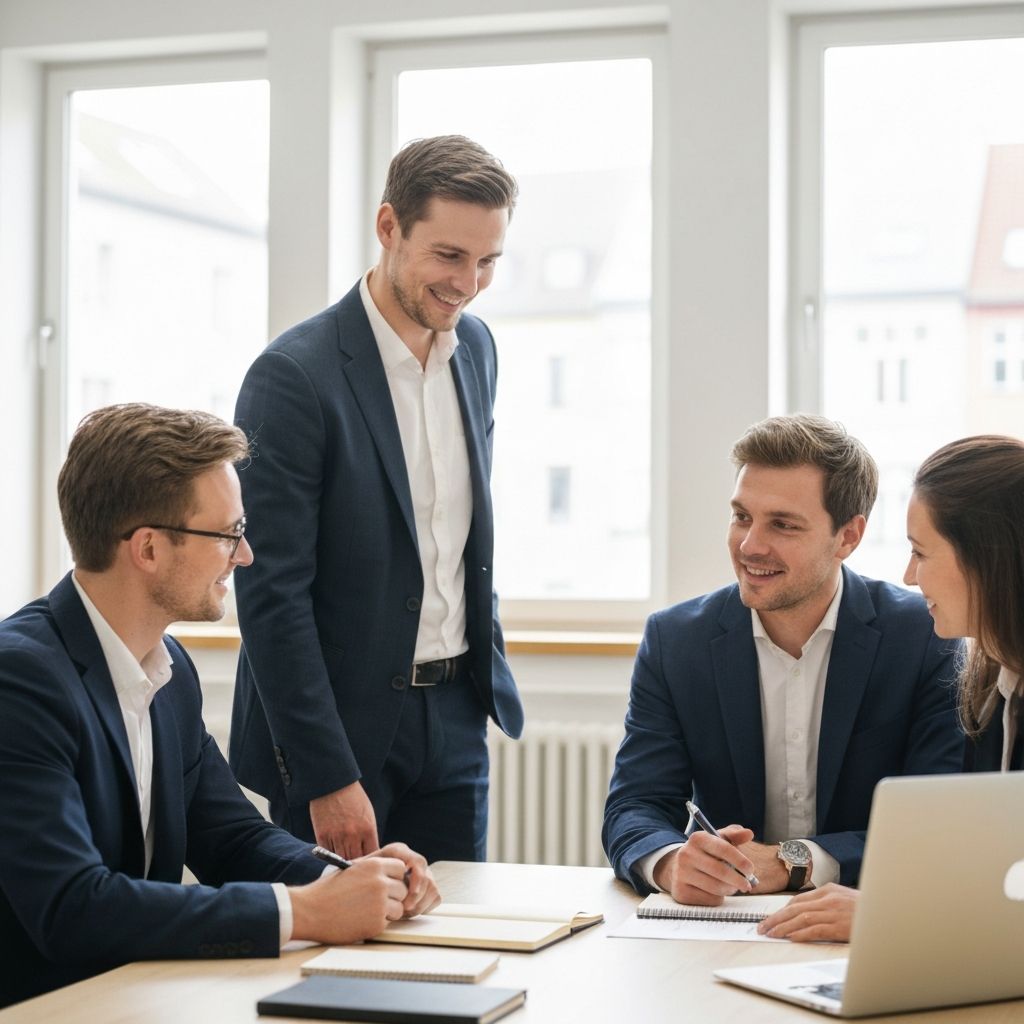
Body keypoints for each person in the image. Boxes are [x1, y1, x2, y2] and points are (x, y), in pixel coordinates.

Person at [0, 404, 438, 1008]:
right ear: (149, 549)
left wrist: (348, 879)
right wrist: (306, 912)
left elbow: (231, 838)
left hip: (129, 997)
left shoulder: (169, 670)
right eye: (229, 533)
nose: (246, 555)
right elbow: (73, 907)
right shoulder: (19, 679)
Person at [229, 135, 524, 864]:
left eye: (488, 261)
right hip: (341, 732)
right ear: (389, 227)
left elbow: (459, 534)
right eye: (450, 256)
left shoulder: (478, 349)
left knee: (454, 950)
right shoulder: (293, 376)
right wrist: (326, 775)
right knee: (337, 964)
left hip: (455, 716)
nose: (469, 283)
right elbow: (270, 591)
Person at [602, 414, 962, 904]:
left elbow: (937, 820)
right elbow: (635, 804)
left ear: (848, 537)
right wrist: (668, 861)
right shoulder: (676, 640)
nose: (750, 546)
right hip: (723, 921)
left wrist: (798, 861)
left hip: (864, 919)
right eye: (742, 516)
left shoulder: (923, 637)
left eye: (783, 524)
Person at [759, 434, 1024, 942]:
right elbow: (980, 866)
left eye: (921, 553)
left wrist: (894, 917)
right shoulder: (993, 685)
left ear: (989, 560)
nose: (908, 575)